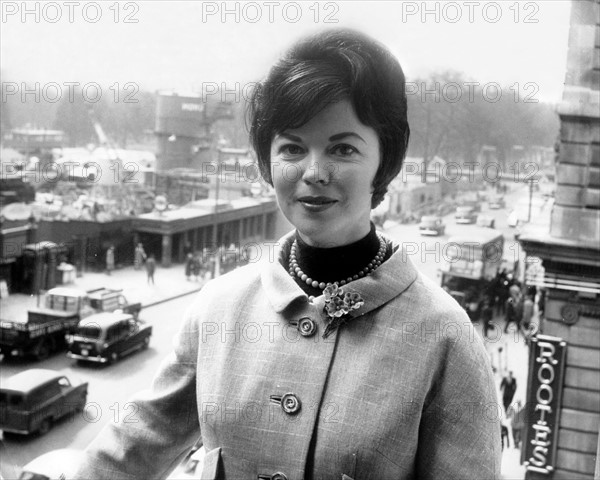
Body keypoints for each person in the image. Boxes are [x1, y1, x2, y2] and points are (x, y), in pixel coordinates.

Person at [72, 29, 500, 479]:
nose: (314, 172)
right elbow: (130, 450)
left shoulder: (445, 339)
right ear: (265, 162)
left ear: (384, 161)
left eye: (342, 148)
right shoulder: (219, 308)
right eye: (293, 147)